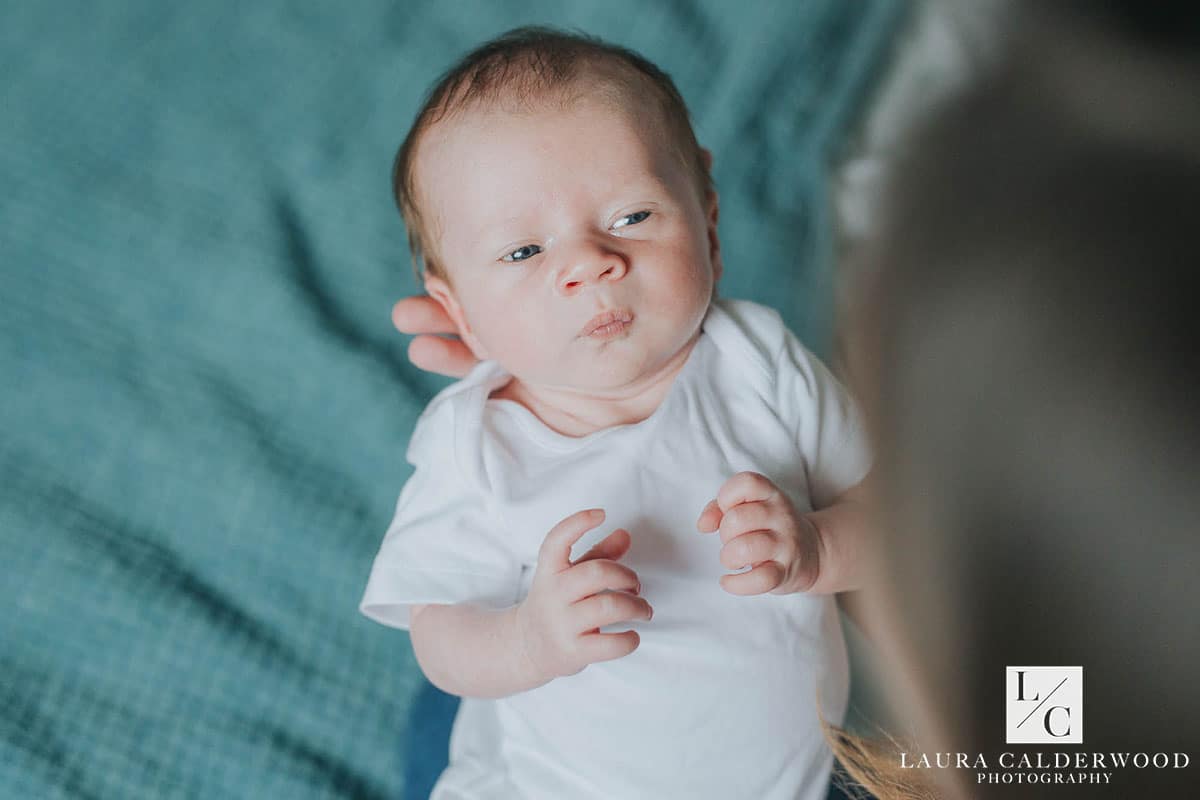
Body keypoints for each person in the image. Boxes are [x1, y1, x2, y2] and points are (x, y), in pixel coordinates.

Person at [359, 26, 875, 800]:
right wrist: (527, 639)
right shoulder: (478, 442)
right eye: (523, 253)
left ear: (707, 218)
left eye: (632, 216)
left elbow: (894, 526)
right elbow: (440, 632)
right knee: (444, 721)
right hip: (552, 784)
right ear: (457, 311)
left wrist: (818, 548)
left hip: (796, 777)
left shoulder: (760, 362)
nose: (588, 265)